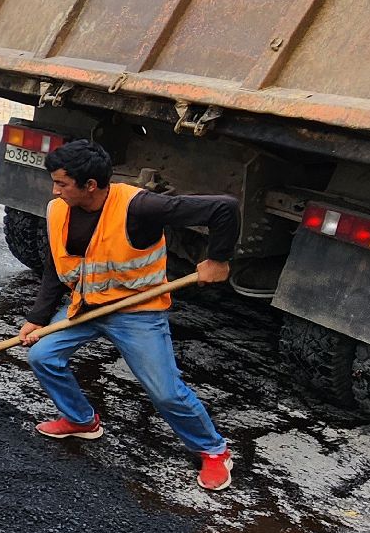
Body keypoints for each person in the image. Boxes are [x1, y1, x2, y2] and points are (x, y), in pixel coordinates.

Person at [18, 139, 239, 491]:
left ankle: (214, 451)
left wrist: (219, 258)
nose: (55, 189)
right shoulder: (59, 209)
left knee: (165, 391)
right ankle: (81, 420)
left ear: (89, 185)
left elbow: (224, 209)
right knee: (42, 354)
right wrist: (38, 317)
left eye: (61, 183)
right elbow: (55, 265)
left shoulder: (141, 207)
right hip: (87, 306)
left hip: (136, 311)